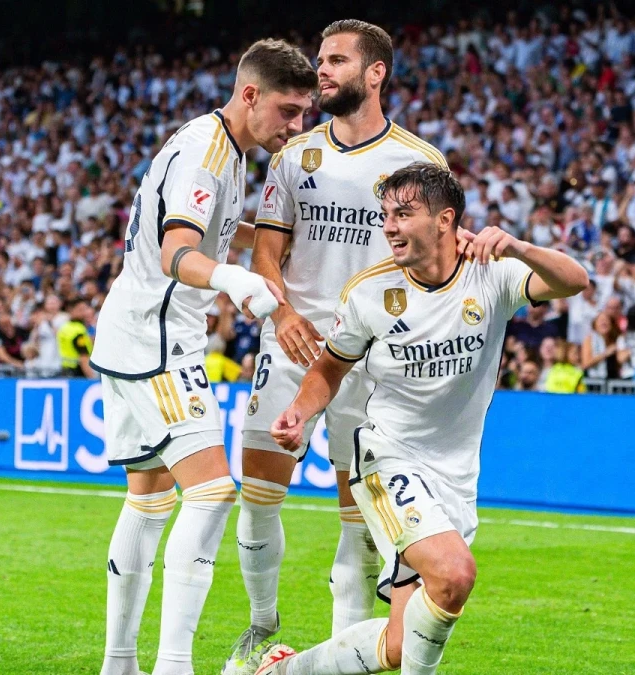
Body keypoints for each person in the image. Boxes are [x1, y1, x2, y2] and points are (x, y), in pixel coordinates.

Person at [245, 163, 587, 675]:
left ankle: (277, 671)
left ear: (445, 220)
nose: (388, 226)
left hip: (455, 473)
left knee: (400, 646)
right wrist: (299, 409)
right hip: (386, 458)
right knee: (453, 574)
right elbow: (329, 368)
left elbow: (574, 281)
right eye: (386, 214)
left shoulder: (490, 273)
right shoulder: (368, 292)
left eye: (404, 214)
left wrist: (517, 247)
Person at [87, 40, 316, 675]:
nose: (296, 126)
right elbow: (178, 252)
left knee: (149, 498)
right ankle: (173, 665)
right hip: (158, 339)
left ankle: (119, 663)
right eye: (289, 111)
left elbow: (215, 229)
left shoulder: (223, 148)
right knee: (213, 493)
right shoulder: (207, 155)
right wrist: (235, 281)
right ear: (250, 95)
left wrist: (277, 240)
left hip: (133, 329)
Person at [228, 20, 452, 669]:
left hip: (372, 355)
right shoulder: (294, 155)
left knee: (356, 519)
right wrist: (283, 314)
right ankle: (261, 624)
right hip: (292, 342)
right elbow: (267, 251)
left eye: (335, 61)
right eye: (320, 61)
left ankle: (333, 657)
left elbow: (432, 266)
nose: (321, 71)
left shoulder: (419, 162)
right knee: (259, 491)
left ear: (375, 72)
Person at [57, 299, 95, 378]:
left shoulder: (65, 327)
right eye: (80, 310)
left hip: (65, 371)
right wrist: (92, 378)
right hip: (77, 373)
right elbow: (83, 357)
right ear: (71, 310)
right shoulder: (78, 330)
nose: (84, 313)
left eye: (85, 309)